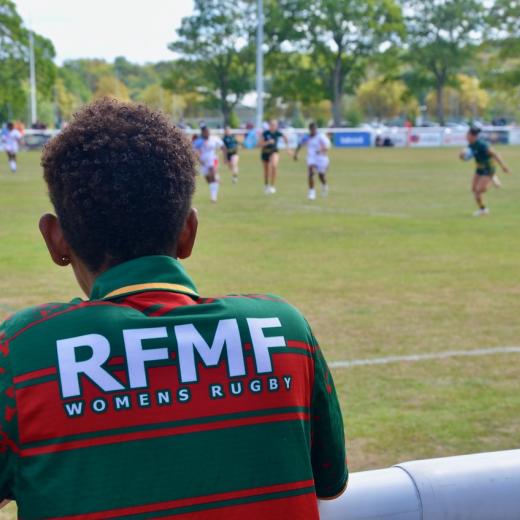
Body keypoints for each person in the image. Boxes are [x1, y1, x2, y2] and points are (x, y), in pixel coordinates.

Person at [0, 99, 347, 519]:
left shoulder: (22, 352)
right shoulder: (285, 330)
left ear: (55, 240)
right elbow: (330, 482)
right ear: (188, 233)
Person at [459, 127, 511, 217]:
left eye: (467, 135)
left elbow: (495, 154)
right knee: (474, 189)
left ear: (472, 136)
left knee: (480, 190)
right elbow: (468, 157)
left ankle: (492, 178)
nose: (466, 137)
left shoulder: (482, 145)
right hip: (479, 169)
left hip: (488, 168)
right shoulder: (471, 145)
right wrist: (462, 156)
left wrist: (503, 166)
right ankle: (483, 209)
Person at [294, 122, 331, 200]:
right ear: (310, 130)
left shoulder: (321, 136)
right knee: (311, 173)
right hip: (311, 158)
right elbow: (300, 144)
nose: (314, 130)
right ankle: (312, 192)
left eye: (315, 129)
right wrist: (296, 154)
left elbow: (327, 146)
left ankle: (324, 185)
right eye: (312, 129)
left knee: (321, 175)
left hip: (321, 158)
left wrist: (320, 151)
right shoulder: (307, 137)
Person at [259, 119, 293, 194]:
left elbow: (285, 138)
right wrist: (267, 142)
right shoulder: (265, 133)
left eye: (275, 125)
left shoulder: (278, 133)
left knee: (274, 165)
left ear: (277, 126)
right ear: (269, 125)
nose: (273, 126)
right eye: (272, 124)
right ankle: (266, 185)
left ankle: (272, 186)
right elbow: (260, 144)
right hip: (265, 152)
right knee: (266, 171)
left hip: (274, 151)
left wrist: (287, 148)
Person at [193, 125, 223, 202]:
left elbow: (222, 146)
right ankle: (216, 179)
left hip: (212, 160)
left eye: (208, 132)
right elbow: (194, 151)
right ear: (202, 133)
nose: (207, 133)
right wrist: (198, 159)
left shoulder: (214, 139)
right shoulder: (199, 141)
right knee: (208, 179)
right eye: (206, 132)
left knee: (212, 176)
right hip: (203, 163)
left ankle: (213, 198)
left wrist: (224, 156)